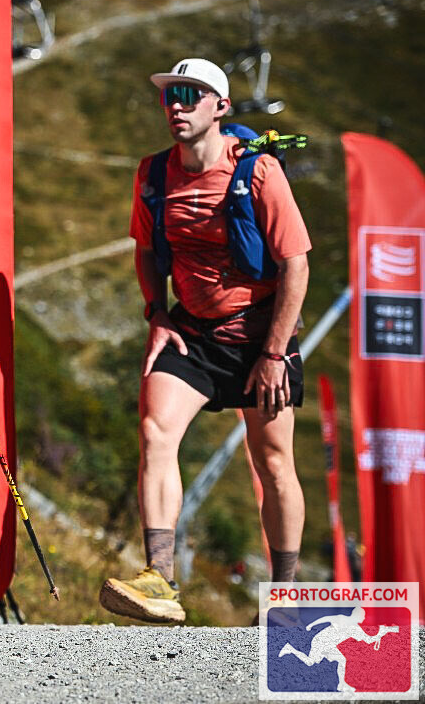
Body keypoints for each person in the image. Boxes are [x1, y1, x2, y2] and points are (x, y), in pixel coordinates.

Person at [100, 58, 311, 624]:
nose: (176, 105)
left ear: (220, 106)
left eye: (191, 95)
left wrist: (273, 354)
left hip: (258, 336)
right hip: (191, 331)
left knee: (273, 462)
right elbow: (146, 250)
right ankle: (161, 580)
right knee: (154, 429)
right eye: (170, 95)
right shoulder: (153, 174)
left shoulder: (259, 172)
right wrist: (156, 314)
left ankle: (287, 599)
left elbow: (296, 266)